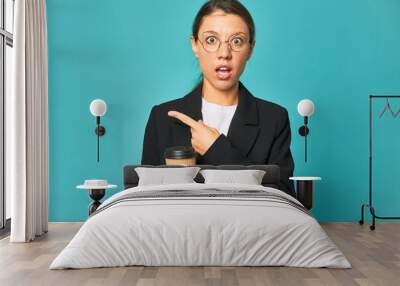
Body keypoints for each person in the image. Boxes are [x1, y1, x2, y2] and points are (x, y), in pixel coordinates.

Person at [141, 0, 295, 197]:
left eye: (237, 41)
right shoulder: (162, 118)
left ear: (250, 48)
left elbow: (285, 200)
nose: (224, 54)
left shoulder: (274, 119)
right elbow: (143, 199)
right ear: (195, 45)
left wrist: (218, 149)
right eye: (212, 40)